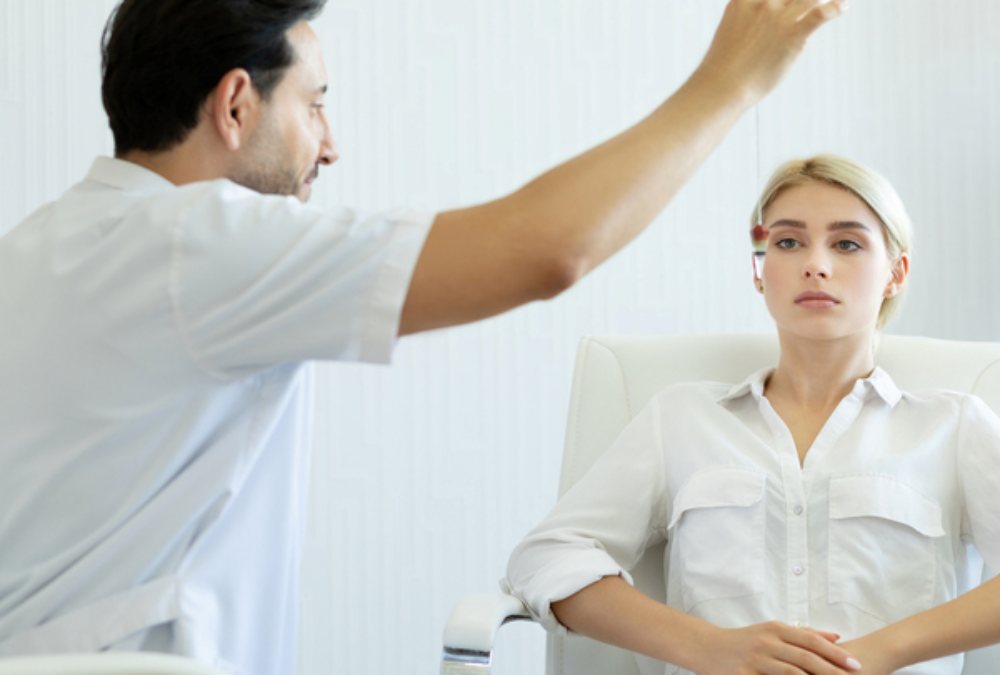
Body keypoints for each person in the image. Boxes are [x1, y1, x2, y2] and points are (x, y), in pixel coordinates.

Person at [0, 1, 849, 673]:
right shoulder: (195, 245)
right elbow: (548, 249)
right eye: (314, 104)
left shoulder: (38, 248)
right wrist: (732, 79)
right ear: (234, 104)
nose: (330, 146)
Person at [504, 155, 1000, 675]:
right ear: (759, 270)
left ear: (895, 273)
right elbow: (547, 557)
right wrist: (708, 647)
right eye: (787, 242)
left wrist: (879, 652)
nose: (816, 264)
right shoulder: (680, 418)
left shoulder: (952, 427)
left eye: (847, 243)